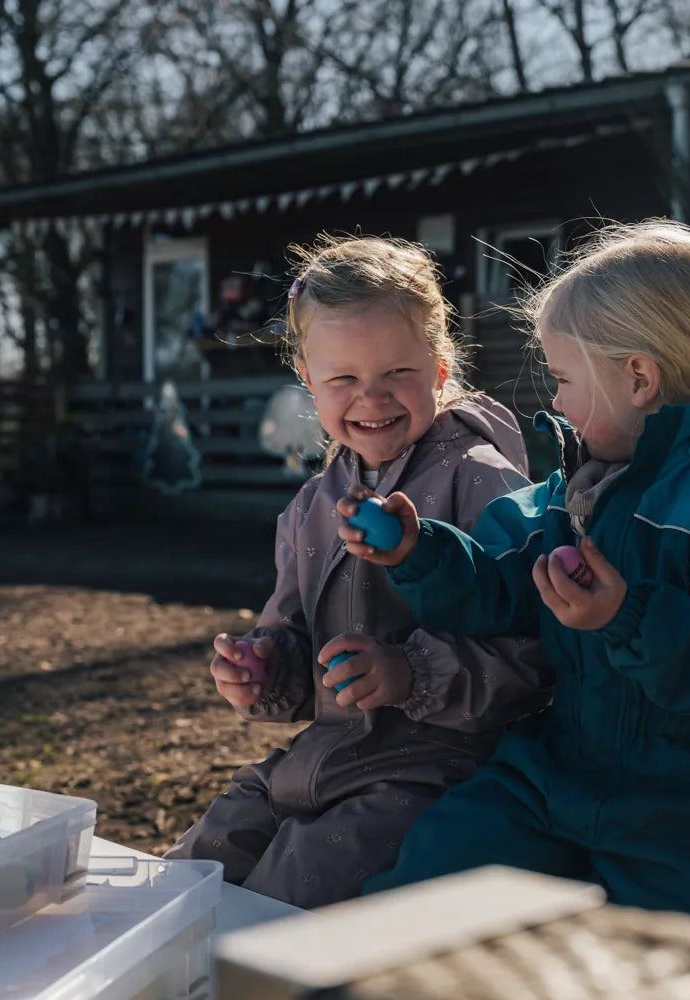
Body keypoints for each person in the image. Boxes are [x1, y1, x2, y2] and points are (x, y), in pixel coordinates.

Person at [337, 220, 690, 929]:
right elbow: (502, 580)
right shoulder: (585, 484)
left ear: (638, 377)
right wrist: (422, 552)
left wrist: (624, 616)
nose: (558, 402)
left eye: (565, 379)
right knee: (427, 887)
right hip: (556, 770)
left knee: (681, 967)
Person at [166, 235, 551, 908]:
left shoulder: (483, 479)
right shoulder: (312, 505)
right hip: (320, 761)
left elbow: (535, 656)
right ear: (308, 382)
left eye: (397, 373)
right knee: (190, 871)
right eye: (343, 379)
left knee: (284, 899)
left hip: (434, 771)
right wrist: (263, 669)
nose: (371, 399)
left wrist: (410, 674)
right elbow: (292, 649)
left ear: (439, 368)